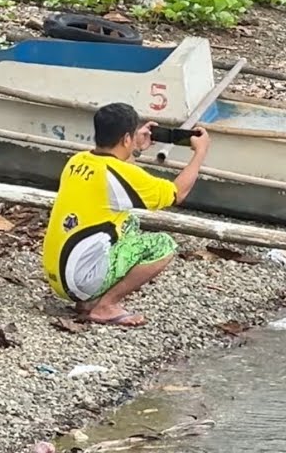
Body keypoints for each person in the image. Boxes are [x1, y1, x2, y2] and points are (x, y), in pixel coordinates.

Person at [40, 102, 210, 327]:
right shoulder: (119, 173)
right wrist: (200, 153)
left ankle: (89, 301)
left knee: (130, 221)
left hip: (59, 275)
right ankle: (105, 306)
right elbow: (177, 194)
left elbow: (119, 179)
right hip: (80, 280)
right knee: (163, 245)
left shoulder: (77, 161)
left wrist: (135, 149)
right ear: (125, 139)